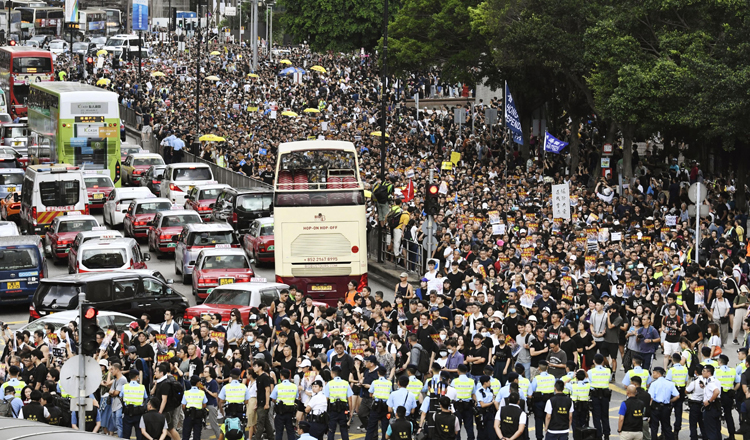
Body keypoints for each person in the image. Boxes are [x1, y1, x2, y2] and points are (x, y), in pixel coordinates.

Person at [647, 366, 679, 440]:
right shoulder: (670, 383)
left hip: (655, 407)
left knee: (654, 427)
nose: (652, 375)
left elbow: (651, 398)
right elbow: (677, 396)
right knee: (666, 426)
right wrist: (670, 401)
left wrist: (649, 409)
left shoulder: (654, 384)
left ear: (658, 374)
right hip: (666, 407)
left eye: (654, 373)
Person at [324, 366, 354, 440]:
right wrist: (350, 411)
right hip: (343, 410)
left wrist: (324, 411)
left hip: (332, 410)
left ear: (332, 373)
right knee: (344, 429)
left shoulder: (329, 384)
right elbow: (350, 399)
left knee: (331, 430)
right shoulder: (346, 383)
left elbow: (326, 399)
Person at [528, 360, 555, 440]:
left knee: (539, 420)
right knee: (550, 419)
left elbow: (533, 389)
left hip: (539, 401)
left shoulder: (537, 378)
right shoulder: (552, 377)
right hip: (550, 401)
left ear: (539, 368)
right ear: (547, 368)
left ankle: (539, 437)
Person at [587, 354, 612, 440]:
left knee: (596, 416)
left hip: (595, 396)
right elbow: (609, 379)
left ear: (594, 361)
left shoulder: (590, 371)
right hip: (605, 396)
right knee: (605, 415)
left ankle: (598, 435)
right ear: (602, 362)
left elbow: (588, 383)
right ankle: (607, 434)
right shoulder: (608, 370)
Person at [665, 353, 688, 439]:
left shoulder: (671, 370)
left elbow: (667, 383)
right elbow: (686, 382)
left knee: (667, 412)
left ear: (672, 359)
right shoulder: (685, 369)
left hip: (672, 392)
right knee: (678, 413)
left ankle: (666, 431)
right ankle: (676, 432)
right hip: (681, 391)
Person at [450, 364, 476, 440]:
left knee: (457, 427)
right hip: (468, 406)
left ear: (458, 371)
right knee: (469, 426)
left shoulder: (454, 381)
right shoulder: (472, 381)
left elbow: (452, 394)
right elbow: (473, 394)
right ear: (466, 371)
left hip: (457, 406)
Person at [271, 368, 298, 440]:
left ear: (281, 376)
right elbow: (297, 397)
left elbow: (273, 398)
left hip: (280, 412)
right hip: (290, 412)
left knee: (279, 432)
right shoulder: (294, 386)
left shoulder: (278, 386)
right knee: (291, 432)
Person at [366, 366, 391, 440]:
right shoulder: (389, 383)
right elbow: (391, 393)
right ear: (385, 373)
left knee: (371, 427)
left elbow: (370, 393)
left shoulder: (375, 382)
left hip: (376, 406)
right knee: (385, 427)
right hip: (385, 406)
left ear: (378, 373)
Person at [715, 354, 737, 440]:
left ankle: (718, 435)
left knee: (717, 415)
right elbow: (738, 382)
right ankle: (732, 435)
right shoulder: (732, 370)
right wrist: (733, 390)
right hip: (729, 395)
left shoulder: (716, 371)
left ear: (719, 362)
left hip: (719, 395)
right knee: (728, 415)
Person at [121, 370, 148, 440]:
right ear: (137, 377)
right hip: (138, 413)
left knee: (126, 435)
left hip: (127, 412)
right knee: (139, 434)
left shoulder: (124, 387)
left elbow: (121, 396)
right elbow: (145, 398)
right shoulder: (142, 387)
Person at [181, 375, 207, 440]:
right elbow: (204, 405)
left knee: (186, 435)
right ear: (198, 383)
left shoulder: (186, 393)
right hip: (198, 415)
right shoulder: (202, 393)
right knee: (197, 435)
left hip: (188, 415)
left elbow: (183, 406)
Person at [564, 370, 589, 434]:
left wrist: (571, 377)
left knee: (575, 424)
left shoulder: (573, 386)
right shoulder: (588, 385)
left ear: (576, 377)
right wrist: (584, 372)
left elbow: (564, 383)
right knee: (583, 423)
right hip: (584, 407)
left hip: (575, 407)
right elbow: (588, 378)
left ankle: (576, 437)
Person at [701, 365, 722, 440]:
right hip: (717, 406)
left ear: (709, 372)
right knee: (716, 429)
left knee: (711, 430)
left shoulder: (710, 383)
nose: (702, 372)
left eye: (704, 371)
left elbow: (716, 392)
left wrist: (709, 401)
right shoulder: (716, 381)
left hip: (711, 407)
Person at [473, 375, 496, 440]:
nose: (490, 382)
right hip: (482, 413)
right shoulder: (479, 391)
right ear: (485, 382)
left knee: (491, 432)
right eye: (488, 381)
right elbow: (482, 404)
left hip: (490, 412)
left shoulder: (490, 390)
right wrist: (492, 402)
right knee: (482, 432)